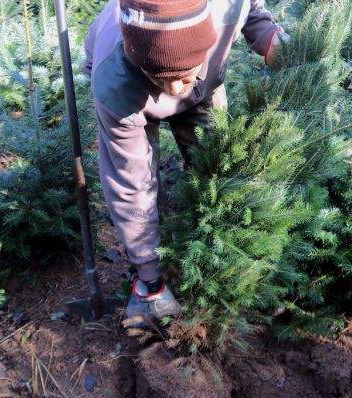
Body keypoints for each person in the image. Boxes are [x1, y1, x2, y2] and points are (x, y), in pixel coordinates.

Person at [82, 0, 289, 326]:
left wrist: (270, 38)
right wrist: (150, 275)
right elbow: (129, 186)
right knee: (140, 184)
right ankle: (152, 274)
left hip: (204, 82)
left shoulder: (227, 11)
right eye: (161, 76)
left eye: (182, 75)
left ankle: (225, 258)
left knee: (216, 163)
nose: (174, 90)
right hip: (133, 90)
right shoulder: (114, 84)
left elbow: (254, 11)